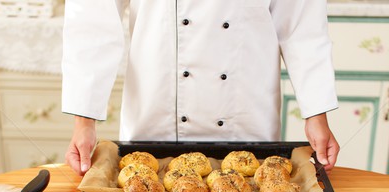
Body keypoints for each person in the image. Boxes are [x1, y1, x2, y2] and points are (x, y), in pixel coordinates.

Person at [62, 1, 340, 176]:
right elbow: (93, 24)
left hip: (245, 114)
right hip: (156, 115)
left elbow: (302, 28)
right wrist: (83, 121)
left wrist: (316, 114)